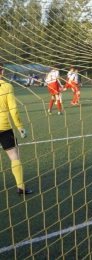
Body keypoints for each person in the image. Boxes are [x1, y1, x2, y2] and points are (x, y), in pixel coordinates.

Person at [0, 61, 33, 195]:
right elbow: (13, 109)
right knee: (14, 156)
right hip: (4, 127)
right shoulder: (7, 86)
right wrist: (20, 127)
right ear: (2, 71)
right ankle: (21, 187)